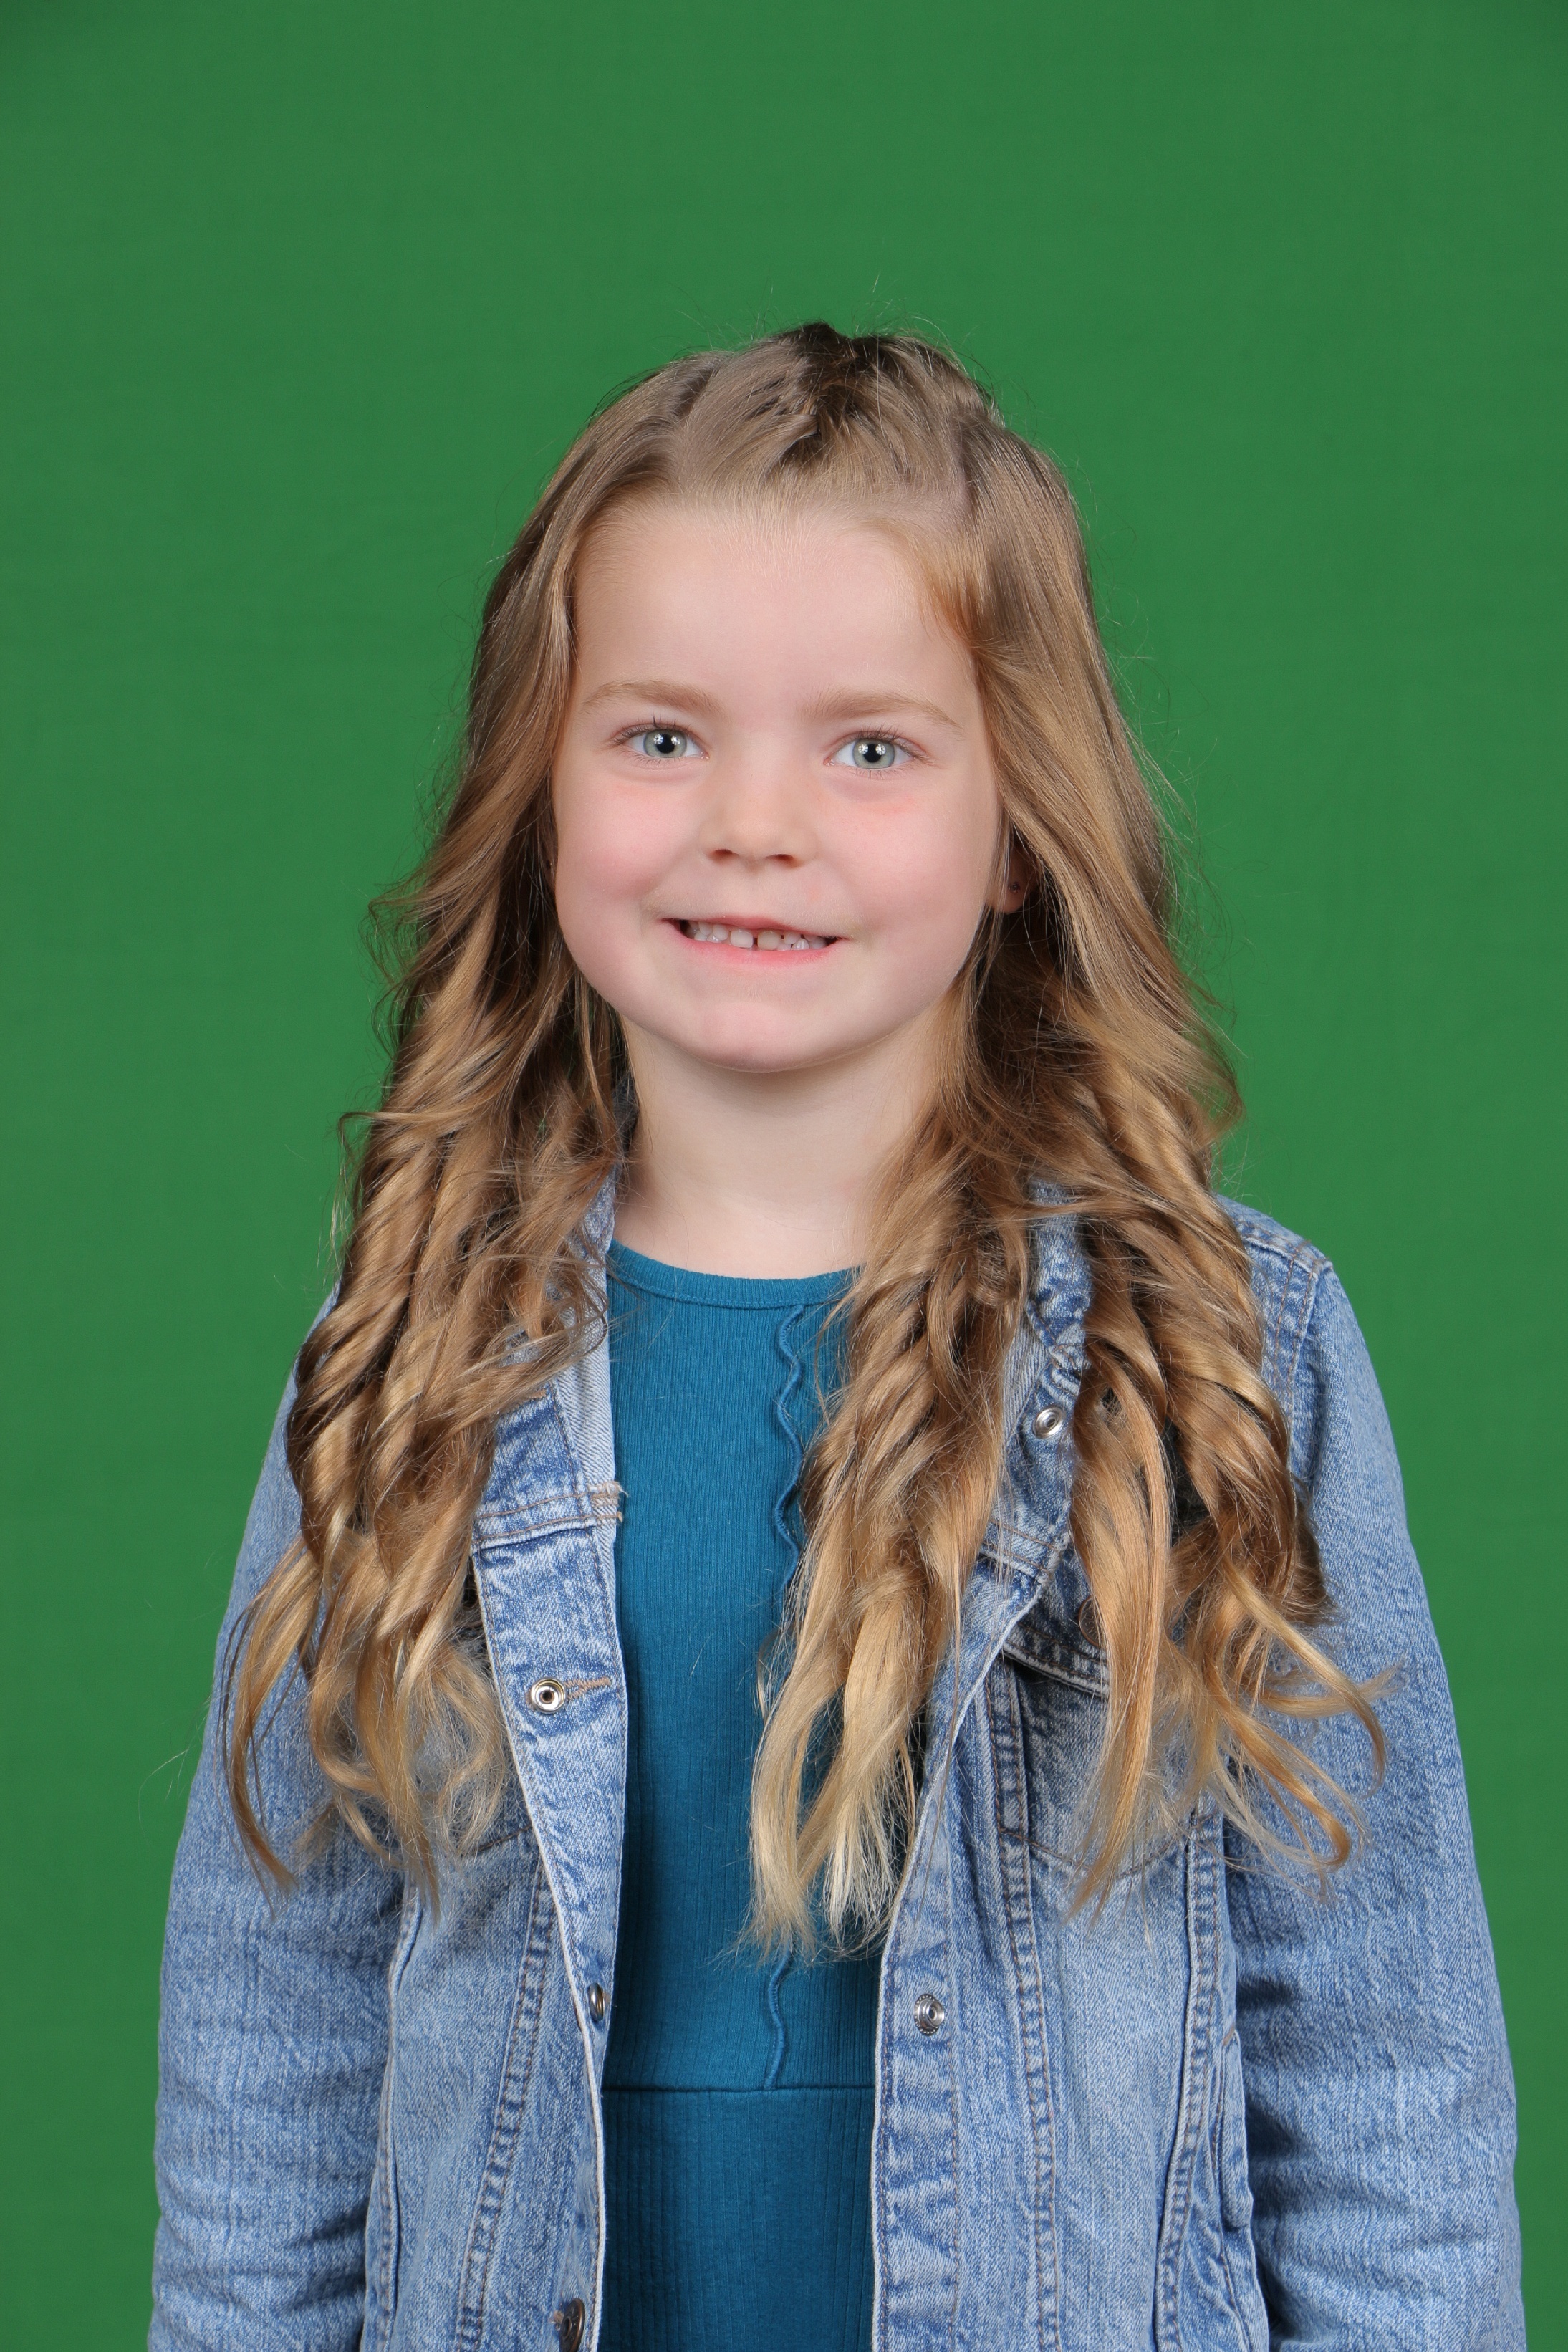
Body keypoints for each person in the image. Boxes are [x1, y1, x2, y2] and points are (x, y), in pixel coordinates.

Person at [150, 325, 1522, 2352]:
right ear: (542, 791)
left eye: (869, 748)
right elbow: (273, 2038)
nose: (754, 821)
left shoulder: (1220, 1347)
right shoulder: (407, 1355)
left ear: (1020, 824)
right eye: (660, 736)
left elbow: (1384, 2076)